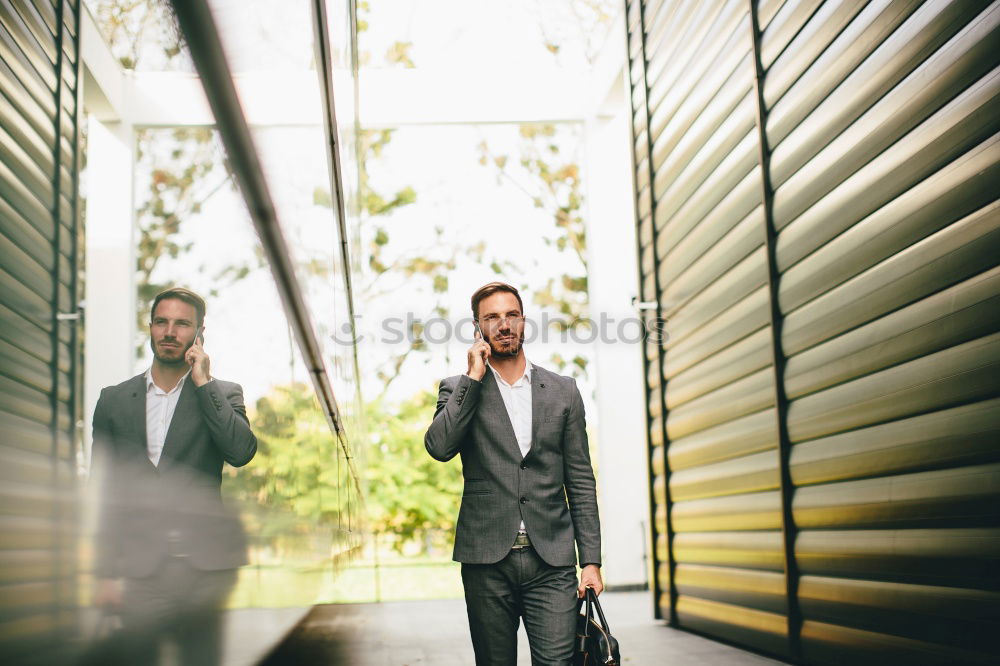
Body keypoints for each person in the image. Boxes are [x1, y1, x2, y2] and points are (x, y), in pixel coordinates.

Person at [425, 281, 603, 665]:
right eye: (492, 317)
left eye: (511, 315)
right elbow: (439, 448)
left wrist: (590, 560)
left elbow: (580, 480)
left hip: (551, 561)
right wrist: (472, 378)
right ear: (478, 328)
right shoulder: (458, 388)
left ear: (523, 322)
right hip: (486, 560)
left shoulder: (563, 390)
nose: (504, 325)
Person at [90, 287, 257, 665]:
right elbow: (104, 490)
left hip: (204, 573)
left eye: (182, 324)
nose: (170, 332)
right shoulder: (114, 400)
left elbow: (241, 452)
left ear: (199, 335)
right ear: (149, 328)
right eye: (162, 322)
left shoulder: (222, 394)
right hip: (140, 570)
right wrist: (104, 572)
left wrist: (204, 383)